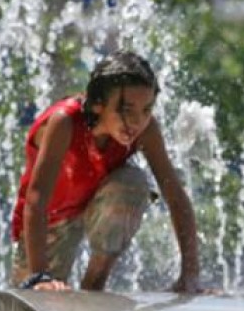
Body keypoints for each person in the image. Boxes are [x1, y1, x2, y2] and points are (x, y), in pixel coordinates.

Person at [11, 50, 203, 293]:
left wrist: (191, 275)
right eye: (127, 110)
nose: (136, 121)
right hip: (50, 219)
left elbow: (175, 195)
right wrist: (39, 277)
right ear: (98, 104)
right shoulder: (64, 123)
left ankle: (95, 281)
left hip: (97, 202)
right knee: (34, 303)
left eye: (146, 110)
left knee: (133, 183)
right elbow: (36, 199)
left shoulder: (145, 131)